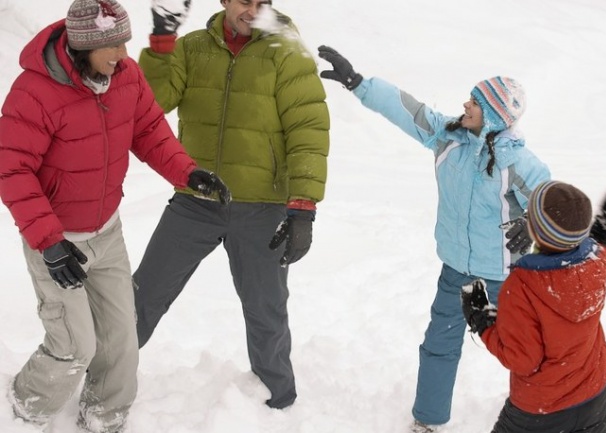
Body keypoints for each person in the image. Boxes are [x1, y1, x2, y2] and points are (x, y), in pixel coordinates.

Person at [0, 0, 228, 432]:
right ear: (83, 47)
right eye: (112, 47)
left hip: (107, 232)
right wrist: (48, 242)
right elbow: (12, 169)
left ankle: (105, 417)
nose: (122, 54)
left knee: (123, 341)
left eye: (125, 42)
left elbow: (149, 131)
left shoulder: (125, 77)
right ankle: (26, 408)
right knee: (74, 345)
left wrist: (188, 172)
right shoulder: (35, 92)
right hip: (58, 242)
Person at [317, 46, 551, 432]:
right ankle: (428, 420)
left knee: (526, 350)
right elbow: (408, 109)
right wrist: (359, 83)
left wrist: (533, 222)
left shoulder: (519, 163)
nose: (466, 104)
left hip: (503, 276)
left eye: (475, 102)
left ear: (492, 116)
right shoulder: (450, 138)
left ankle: (541, 411)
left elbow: (555, 202)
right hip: (456, 270)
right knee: (438, 345)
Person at [133, 0, 330, 409]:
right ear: (224, 1)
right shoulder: (192, 48)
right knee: (143, 294)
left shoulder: (286, 49)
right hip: (195, 199)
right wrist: (162, 44)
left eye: (262, 3)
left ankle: (278, 401)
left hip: (262, 205)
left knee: (266, 308)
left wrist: (303, 206)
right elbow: (150, 106)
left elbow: (307, 126)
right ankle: (103, 377)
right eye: (244, 1)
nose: (252, 10)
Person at [460, 177, 606, 433]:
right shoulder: (596, 264)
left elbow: (523, 360)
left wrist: (482, 321)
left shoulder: (522, 287)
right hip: (595, 398)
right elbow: (598, 248)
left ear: (535, 230)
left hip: (541, 411)